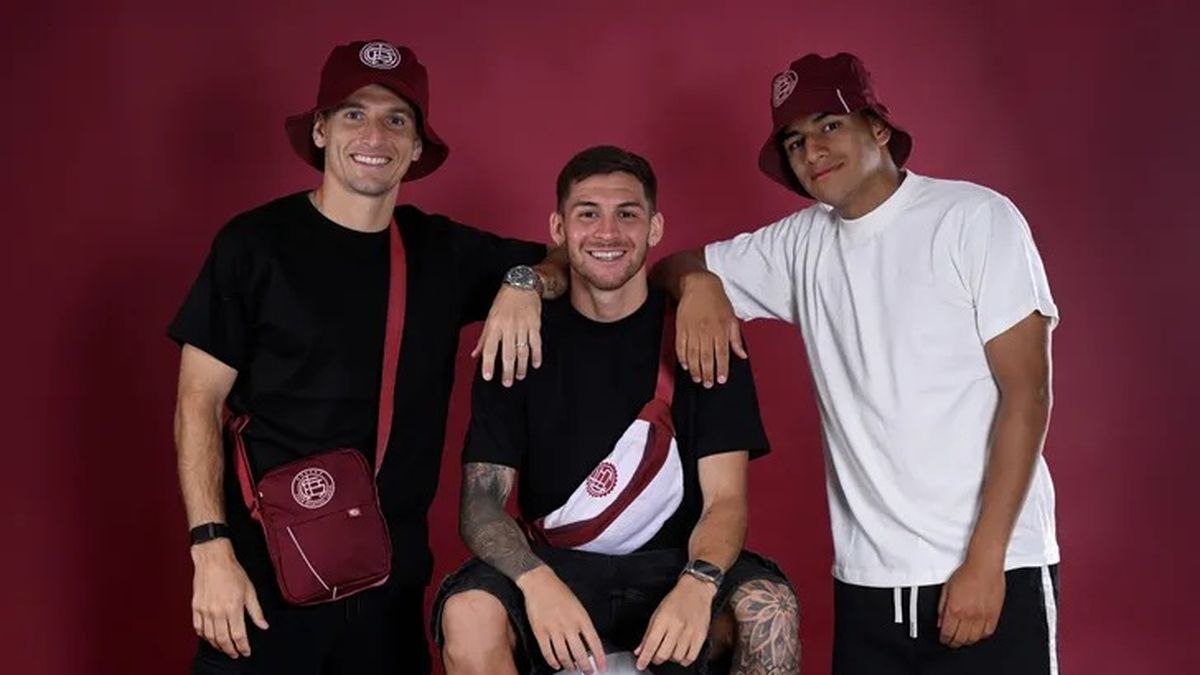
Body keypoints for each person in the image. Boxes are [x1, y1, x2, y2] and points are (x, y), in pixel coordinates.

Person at [652, 53, 1062, 674]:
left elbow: (1027, 394)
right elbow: (672, 267)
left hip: (992, 567)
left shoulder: (974, 217)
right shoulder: (799, 243)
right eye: (794, 141)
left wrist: (986, 561)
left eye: (829, 125)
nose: (811, 150)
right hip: (869, 583)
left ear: (878, 127)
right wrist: (701, 285)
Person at [169, 38, 566, 674]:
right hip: (260, 581)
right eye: (353, 113)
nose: (374, 135)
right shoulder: (253, 245)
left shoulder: (442, 252)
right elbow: (197, 402)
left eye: (396, 119)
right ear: (321, 130)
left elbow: (574, 263)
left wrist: (524, 283)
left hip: (387, 591)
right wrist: (209, 549)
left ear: (416, 146)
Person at [433, 146, 801, 675]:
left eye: (627, 213)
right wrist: (536, 582)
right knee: (468, 615)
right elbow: (481, 503)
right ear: (559, 228)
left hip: (672, 566)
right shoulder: (516, 335)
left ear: (655, 228)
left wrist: (698, 583)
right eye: (588, 214)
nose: (607, 232)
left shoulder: (702, 332)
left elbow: (725, 500)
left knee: (770, 611)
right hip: (555, 564)